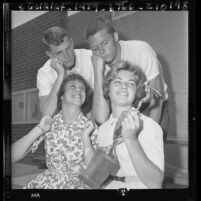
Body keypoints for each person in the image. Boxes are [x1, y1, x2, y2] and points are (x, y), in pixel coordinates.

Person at [84, 15, 169, 141]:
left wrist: (149, 137)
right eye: (95, 48)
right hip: (120, 110)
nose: (101, 51)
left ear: (116, 37)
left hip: (152, 106)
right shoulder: (97, 64)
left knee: (149, 151)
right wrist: (98, 72)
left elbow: (156, 100)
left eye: (105, 43)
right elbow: (101, 118)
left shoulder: (141, 51)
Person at [82, 61, 164, 189]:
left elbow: (155, 183)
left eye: (131, 83)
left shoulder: (149, 126)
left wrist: (131, 139)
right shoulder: (103, 129)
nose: (124, 86)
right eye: (118, 82)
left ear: (137, 93)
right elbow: (95, 176)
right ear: (108, 90)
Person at [12, 73, 96, 189]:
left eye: (82, 88)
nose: (79, 90)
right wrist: (40, 129)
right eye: (73, 86)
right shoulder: (50, 124)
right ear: (61, 95)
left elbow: (96, 173)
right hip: (48, 183)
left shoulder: (90, 128)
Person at [37, 26, 94, 117]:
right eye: (59, 53)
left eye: (68, 48)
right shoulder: (45, 73)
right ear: (50, 55)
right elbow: (46, 113)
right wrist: (60, 76)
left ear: (72, 42)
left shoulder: (91, 58)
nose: (67, 55)